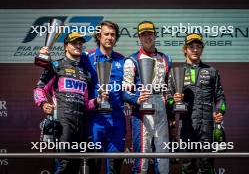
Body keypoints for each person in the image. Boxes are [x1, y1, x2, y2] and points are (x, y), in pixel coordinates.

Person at [33, 32, 104, 174]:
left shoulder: (85, 72)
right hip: (63, 122)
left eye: (80, 43)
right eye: (74, 43)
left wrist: (97, 101)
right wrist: (43, 104)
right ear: (66, 46)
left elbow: (85, 104)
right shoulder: (56, 65)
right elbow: (39, 89)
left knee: (77, 165)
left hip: (82, 124)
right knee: (64, 164)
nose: (78, 46)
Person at [167, 33, 227, 174]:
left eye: (198, 47)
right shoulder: (175, 72)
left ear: (202, 49)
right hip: (186, 126)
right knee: (187, 166)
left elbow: (220, 98)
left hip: (207, 125)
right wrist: (174, 101)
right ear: (185, 50)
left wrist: (219, 112)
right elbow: (168, 101)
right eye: (191, 47)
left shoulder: (212, 71)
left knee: (207, 165)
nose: (195, 50)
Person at [122, 21, 172, 174]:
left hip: (161, 110)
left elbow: (168, 88)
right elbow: (124, 92)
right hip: (142, 110)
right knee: (142, 159)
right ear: (139, 37)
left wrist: (172, 106)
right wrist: (137, 98)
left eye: (150, 34)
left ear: (155, 35)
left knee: (163, 159)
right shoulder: (131, 60)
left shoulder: (166, 58)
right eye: (143, 34)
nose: (147, 37)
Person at [80, 20, 126, 174]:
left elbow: (128, 89)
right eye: (106, 34)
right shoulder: (86, 58)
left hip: (117, 119)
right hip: (95, 120)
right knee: (93, 166)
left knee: (114, 168)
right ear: (99, 36)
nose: (110, 37)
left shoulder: (123, 60)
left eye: (113, 35)